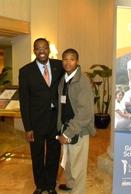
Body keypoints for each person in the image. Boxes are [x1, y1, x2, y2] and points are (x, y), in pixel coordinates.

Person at [19, 38, 64, 194]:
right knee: (37, 155)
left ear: (48, 50)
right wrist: (28, 127)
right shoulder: (25, 71)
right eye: (38, 48)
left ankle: (51, 186)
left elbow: (72, 77)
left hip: (55, 121)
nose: (42, 51)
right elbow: (24, 102)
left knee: (54, 154)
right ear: (34, 51)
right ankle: (39, 185)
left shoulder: (59, 66)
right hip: (36, 123)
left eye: (44, 47)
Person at [57, 48, 96, 194]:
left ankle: (77, 191)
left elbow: (85, 114)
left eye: (71, 59)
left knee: (78, 165)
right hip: (66, 127)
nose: (68, 62)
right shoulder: (64, 79)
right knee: (68, 161)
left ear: (77, 61)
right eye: (65, 59)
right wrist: (60, 128)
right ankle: (71, 184)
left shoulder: (83, 81)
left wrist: (67, 133)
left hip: (78, 130)